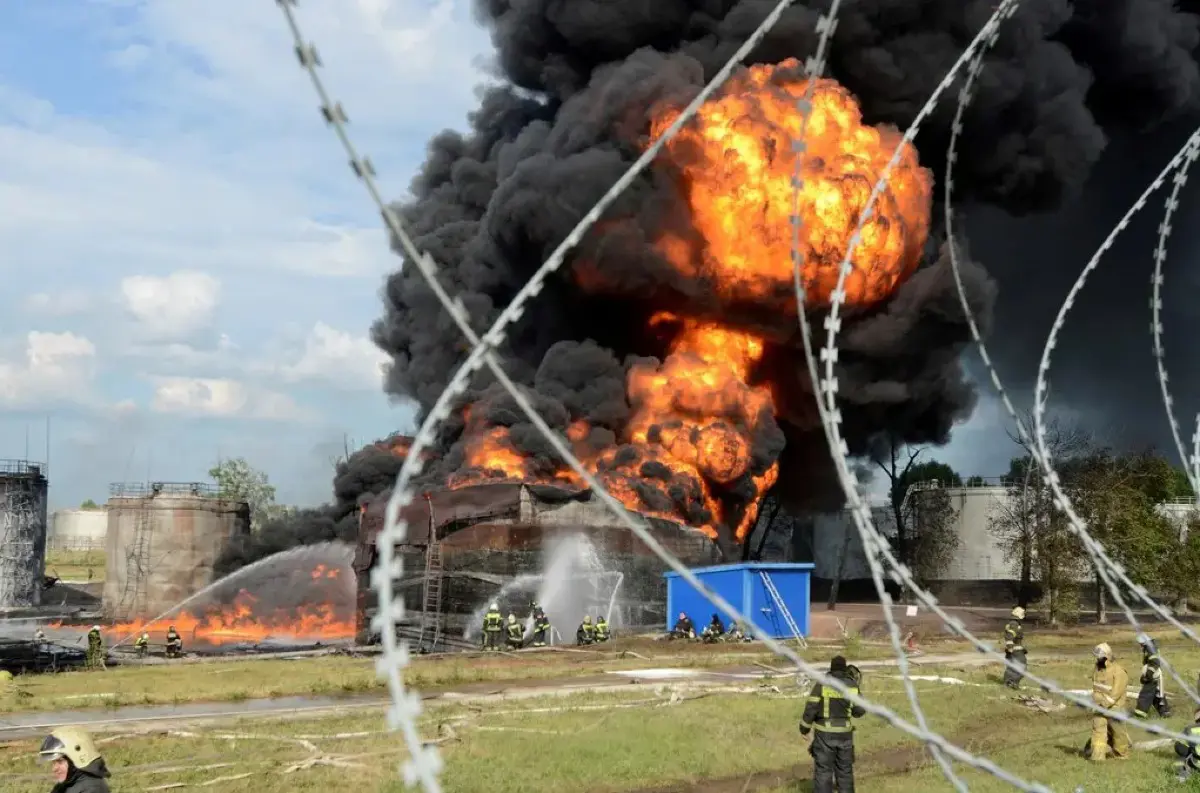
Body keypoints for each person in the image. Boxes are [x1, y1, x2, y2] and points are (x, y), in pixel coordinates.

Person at [799, 656, 866, 793]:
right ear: (844, 668)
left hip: (824, 736)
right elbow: (860, 711)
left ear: (831, 668)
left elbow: (811, 708)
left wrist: (804, 728)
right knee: (845, 771)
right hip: (845, 736)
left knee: (823, 771)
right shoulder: (852, 685)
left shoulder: (822, 684)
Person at [1084, 642, 1131, 761]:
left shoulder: (1119, 671)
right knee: (1098, 733)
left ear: (1107, 657)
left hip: (1114, 709)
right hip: (1099, 707)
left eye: (1099, 657)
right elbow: (1095, 688)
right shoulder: (1097, 670)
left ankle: (1121, 755)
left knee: (1118, 733)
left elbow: (1116, 693)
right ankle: (1097, 757)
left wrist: (1105, 704)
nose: (1097, 659)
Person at [38, 725, 111, 792]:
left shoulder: (94, 789)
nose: (54, 769)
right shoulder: (65, 785)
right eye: (53, 763)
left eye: (60, 762)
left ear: (76, 758)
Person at [1133, 634, 1170, 719]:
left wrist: (1148, 675)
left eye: (1140, 644)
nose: (1140, 645)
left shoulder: (1150, 648)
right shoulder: (1150, 647)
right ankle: (1165, 712)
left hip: (1152, 675)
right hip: (1155, 674)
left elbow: (1155, 662)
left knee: (1145, 694)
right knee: (1157, 694)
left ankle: (1140, 714)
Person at [1002, 606, 1026, 689]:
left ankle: (1009, 683)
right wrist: (1010, 647)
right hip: (1015, 651)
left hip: (1014, 650)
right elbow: (1009, 636)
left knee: (1012, 666)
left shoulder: (1013, 623)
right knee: (1021, 667)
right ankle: (1012, 683)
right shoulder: (1014, 624)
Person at [1173, 708, 1200, 781]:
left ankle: (1183, 775)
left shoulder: (1190, 728)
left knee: (1180, 757)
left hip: (1194, 761)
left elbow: (1178, 740)